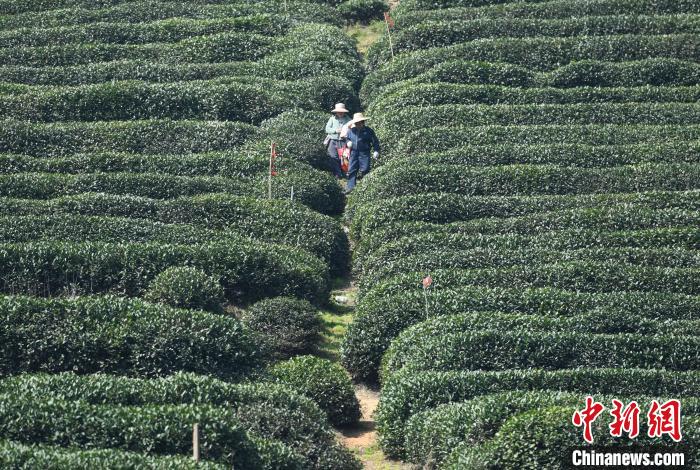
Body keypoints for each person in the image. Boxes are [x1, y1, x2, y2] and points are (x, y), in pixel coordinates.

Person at [345, 112, 380, 194]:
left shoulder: (368, 131)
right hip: (354, 152)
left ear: (362, 122)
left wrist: (376, 150)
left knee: (365, 169)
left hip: (364, 153)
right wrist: (348, 142)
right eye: (356, 123)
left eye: (359, 123)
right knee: (352, 169)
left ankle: (366, 188)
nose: (357, 125)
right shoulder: (351, 131)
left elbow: (375, 141)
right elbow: (347, 138)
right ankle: (350, 188)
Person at [324, 103, 352, 179]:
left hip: (343, 141)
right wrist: (336, 130)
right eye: (338, 111)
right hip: (333, 140)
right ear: (336, 112)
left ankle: (346, 173)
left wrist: (345, 131)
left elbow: (352, 128)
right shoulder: (332, 119)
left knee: (344, 157)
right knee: (333, 157)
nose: (340, 113)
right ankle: (337, 173)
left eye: (341, 111)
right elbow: (327, 129)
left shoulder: (348, 119)